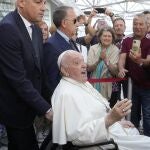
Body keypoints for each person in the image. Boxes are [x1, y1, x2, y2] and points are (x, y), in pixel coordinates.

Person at [52, 50, 150, 150]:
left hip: (109, 131)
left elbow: (95, 115)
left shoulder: (81, 83)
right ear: (64, 70)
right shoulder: (66, 94)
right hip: (104, 142)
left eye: (83, 61)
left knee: (135, 132)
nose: (84, 65)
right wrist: (111, 119)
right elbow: (78, 137)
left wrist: (116, 122)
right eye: (76, 63)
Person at [0, 0, 52, 150]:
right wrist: (47, 110)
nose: (43, 8)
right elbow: (18, 79)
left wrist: (53, 101)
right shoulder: (7, 28)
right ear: (21, 2)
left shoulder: (35, 29)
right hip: (16, 110)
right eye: (37, 2)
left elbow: (39, 71)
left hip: (31, 107)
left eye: (44, 3)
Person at [118, 13, 150, 136]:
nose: (138, 27)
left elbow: (148, 60)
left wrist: (139, 60)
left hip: (148, 86)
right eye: (135, 24)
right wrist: (121, 68)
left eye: (141, 24)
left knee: (148, 115)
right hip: (132, 85)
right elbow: (122, 57)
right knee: (132, 114)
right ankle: (134, 139)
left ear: (147, 26)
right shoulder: (127, 40)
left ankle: (147, 141)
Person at [44, 6, 79, 95]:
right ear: (64, 23)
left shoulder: (70, 40)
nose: (77, 24)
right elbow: (51, 81)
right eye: (75, 20)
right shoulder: (51, 45)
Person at [87, 27, 120, 102]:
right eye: (104, 36)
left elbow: (115, 71)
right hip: (93, 84)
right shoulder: (93, 48)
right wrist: (99, 60)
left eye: (109, 36)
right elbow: (89, 68)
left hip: (110, 87)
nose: (107, 38)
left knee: (109, 110)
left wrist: (105, 59)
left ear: (112, 38)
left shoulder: (115, 50)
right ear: (100, 37)